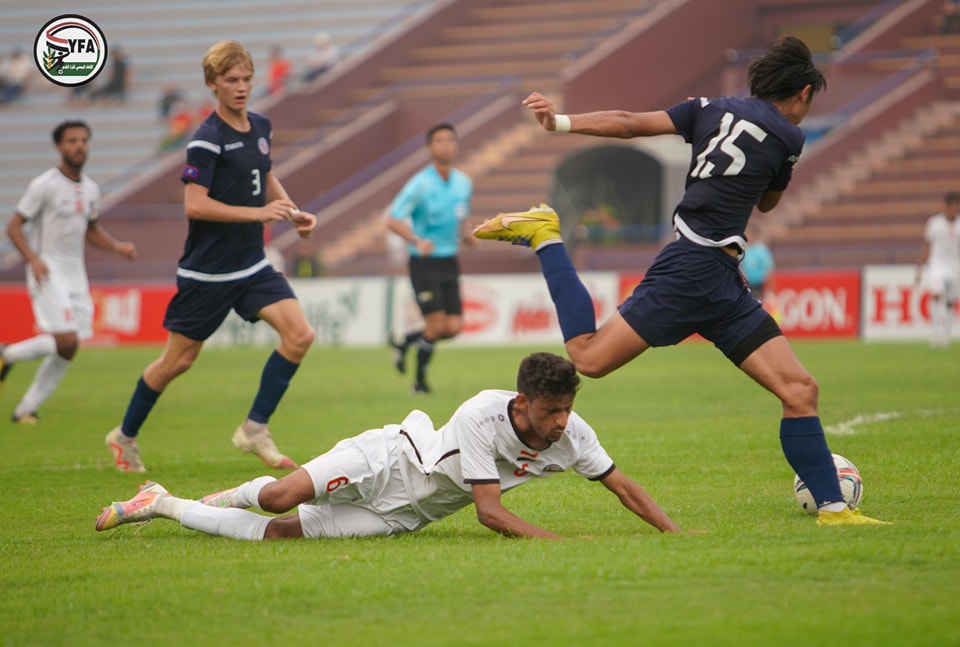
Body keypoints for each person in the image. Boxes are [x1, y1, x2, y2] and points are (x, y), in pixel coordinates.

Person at [474, 36, 889, 526]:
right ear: (802, 93)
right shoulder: (789, 138)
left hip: (720, 279)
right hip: (692, 272)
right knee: (587, 358)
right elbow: (768, 204)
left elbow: (630, 123)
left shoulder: (705, 108)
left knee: (800, 389)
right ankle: (545, 236)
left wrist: (561, 121)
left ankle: (834, 511)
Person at [95, 352, 689, 540]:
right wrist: (562, 543)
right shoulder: (484, 413)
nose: (562, 422)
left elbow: (622, 485)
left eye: (567, 409)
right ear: (524, 400)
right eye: (552, 410)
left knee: (278, 535)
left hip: (406, 515)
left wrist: (674, 533)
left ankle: (164, 502)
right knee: (277, 498)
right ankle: (234, 494)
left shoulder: (574, 434)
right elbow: (489, 511)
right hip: (386, 458)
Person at [103, 40, 318, 473]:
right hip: (207, 273)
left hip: (252, 265)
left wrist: (292, 212)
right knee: (178, 361)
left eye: (245, 79)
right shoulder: (206, 139)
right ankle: (123, 436)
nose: (240, 87)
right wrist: (258, 214)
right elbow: (194, 206)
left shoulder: (260, 125)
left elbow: (265, 173)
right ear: (212, 85)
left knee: (300, 336)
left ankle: (255, 428)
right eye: (230, 80)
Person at [0, 121, 136, 422]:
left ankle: (24, 407)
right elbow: (14, 227)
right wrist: (33, 259)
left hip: (76, 274)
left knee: (70, 347)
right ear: (59, 146)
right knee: (65, 340)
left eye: (84, 140)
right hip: (47, 271)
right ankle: (8, 356)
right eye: (72, 140)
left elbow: (90, 229)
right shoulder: (44, 185)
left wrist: (117, 248)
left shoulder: (90, 189)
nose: (79, 146)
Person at [386, 123, 473, 394]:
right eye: (439, 141)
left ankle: (404, 340)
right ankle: (419, 383)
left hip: (450, 260)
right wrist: (415, 240)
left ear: (456, 145)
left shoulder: (463, 182)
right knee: (436, 326)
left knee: (454, 327)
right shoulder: (420, 184)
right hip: (424, 262)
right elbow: (393, 219)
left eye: (450, 140)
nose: (445, 145)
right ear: (430, 147)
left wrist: (469, 235)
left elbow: (463, 215)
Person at [915, 191, 960, 348]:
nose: (956, 209)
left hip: (955, 266)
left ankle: (946, 335)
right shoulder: (934, 223)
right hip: (937, 264)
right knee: (936, 295)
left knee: (950, 301)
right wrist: (919, 268)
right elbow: (927, 245)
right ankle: (935, 332)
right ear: (946, 206)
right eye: (953, 205)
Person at [740, 220, 776, 301]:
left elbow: (769, 268)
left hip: (759, 282)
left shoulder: (761, 249)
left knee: (758, 302)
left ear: (755, 235)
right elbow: (740, 266)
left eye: (750, 233)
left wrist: (770, 284)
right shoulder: (743, 249)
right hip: (746, 283)